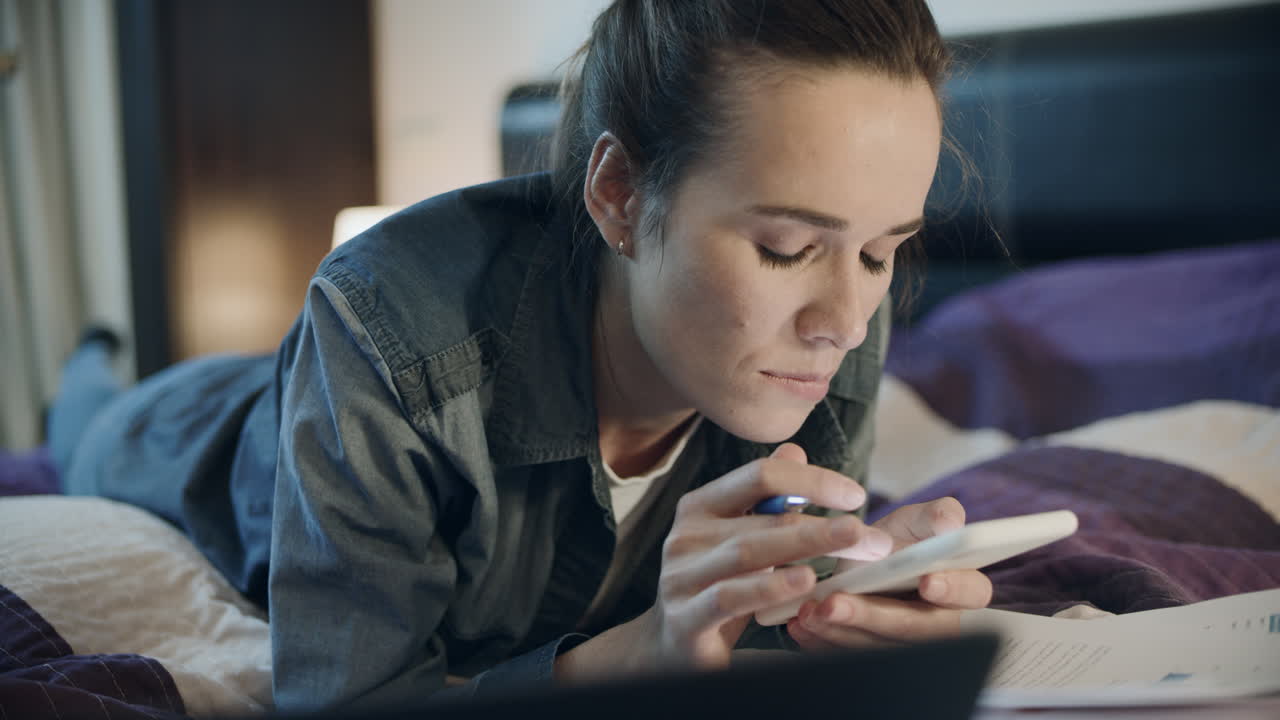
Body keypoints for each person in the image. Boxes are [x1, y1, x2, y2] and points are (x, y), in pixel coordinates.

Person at [49, 0, 992, 712]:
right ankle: (88, 364)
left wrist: (847, 614)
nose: (845, 322)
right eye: (786, 248)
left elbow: (762, 632)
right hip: (203, 433)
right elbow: (351, 701)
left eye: (881, 253)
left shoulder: (833, 332)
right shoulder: (388, 329)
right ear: (620, 193)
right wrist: (647, 649)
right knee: (89, 421)